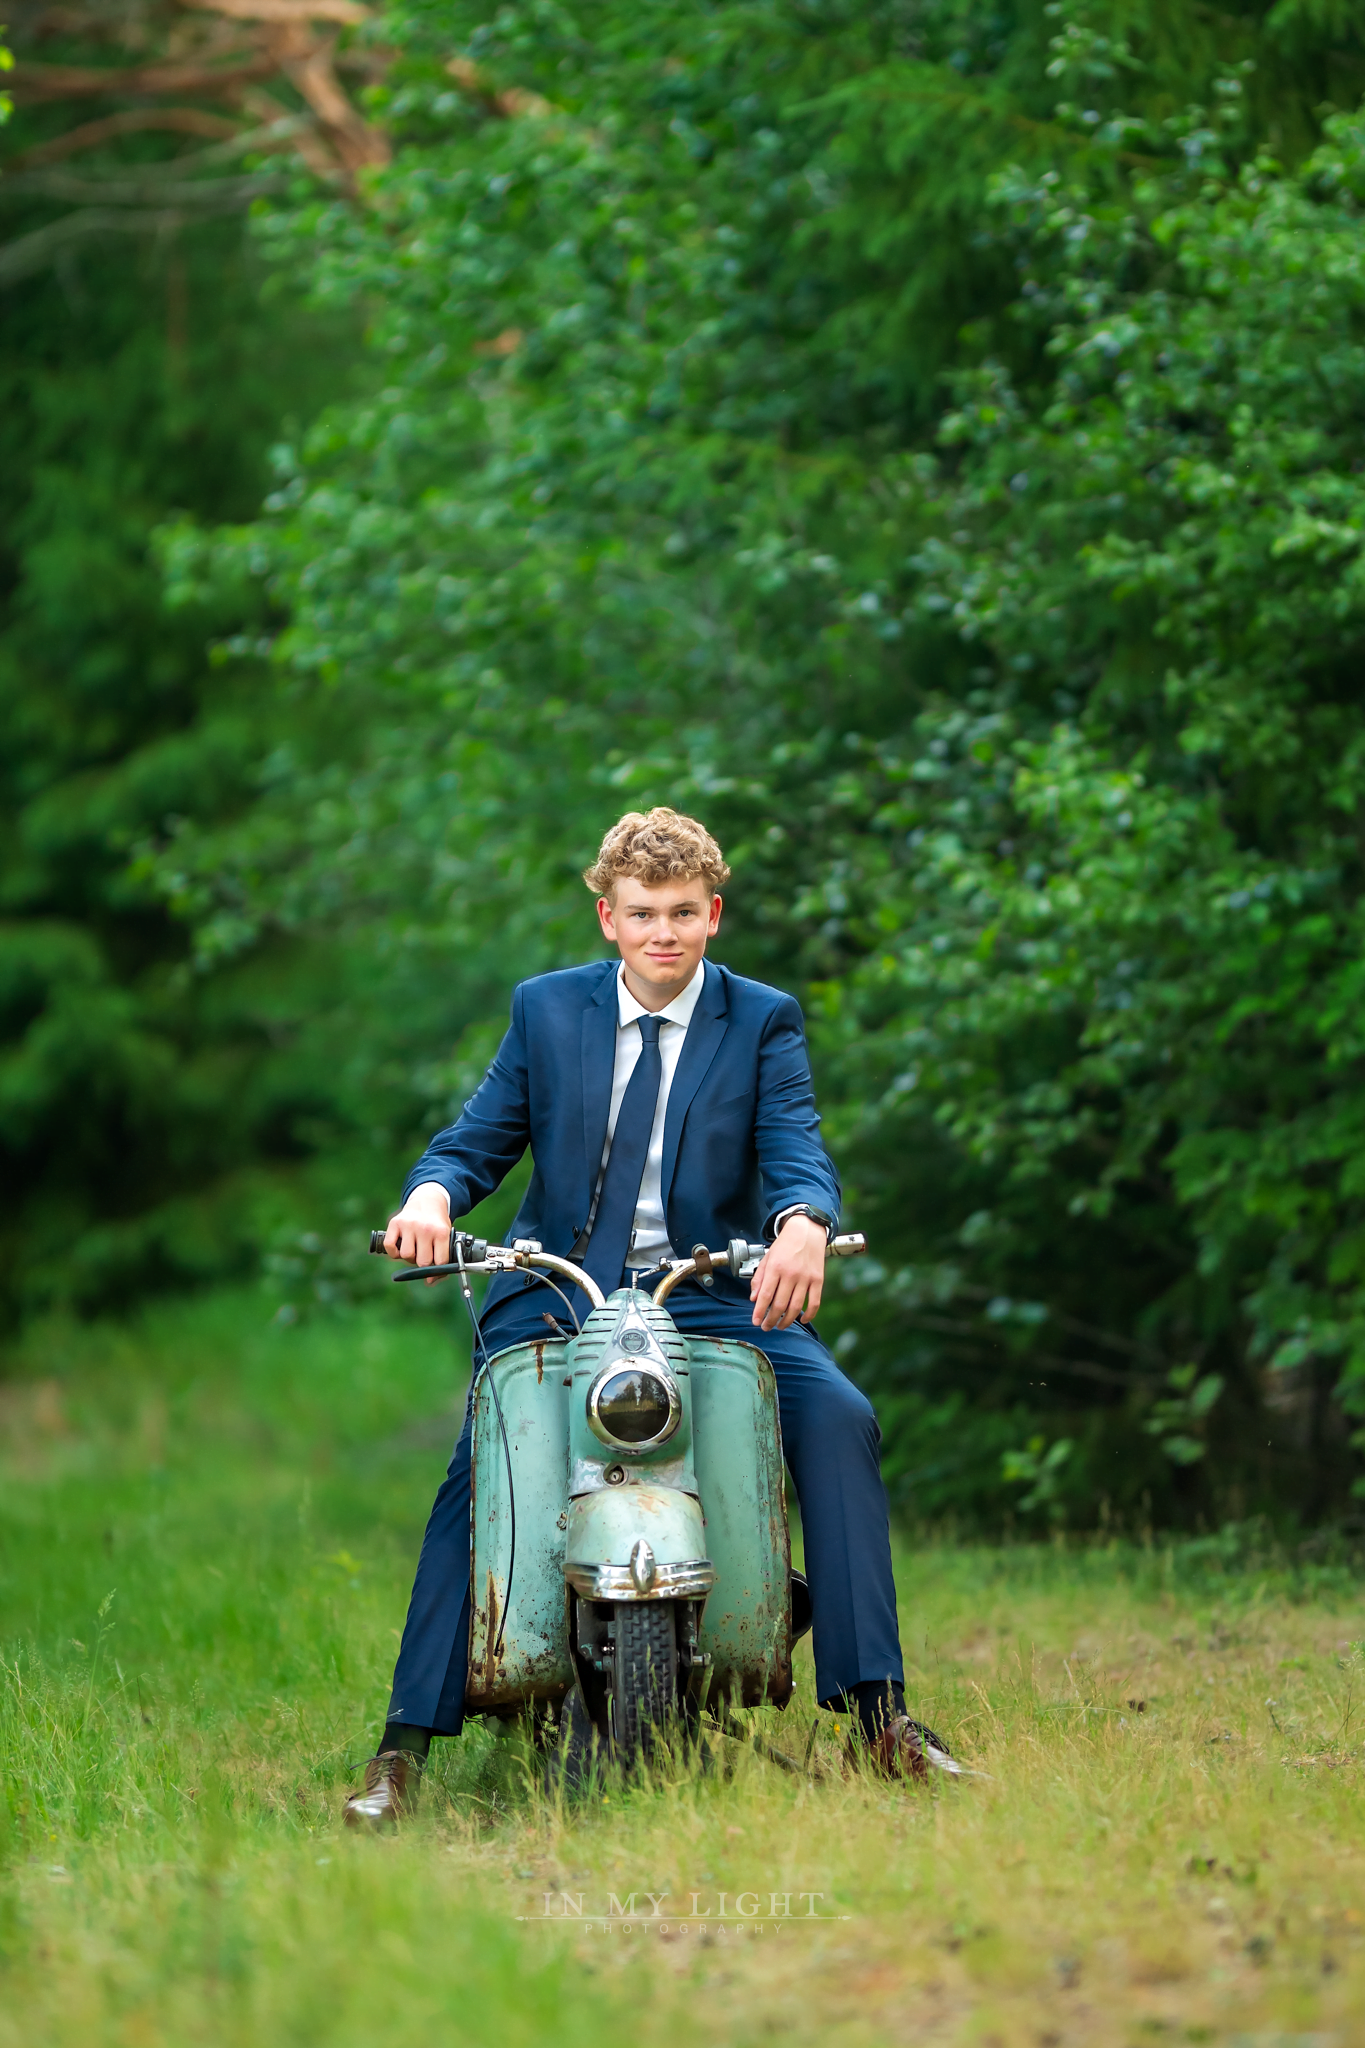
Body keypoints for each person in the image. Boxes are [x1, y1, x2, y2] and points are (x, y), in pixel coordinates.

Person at [344, 808, 945, 1825]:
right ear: (607, 918)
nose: (663, 932)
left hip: (710, 1288)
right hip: (560, 1288)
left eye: (682, 912)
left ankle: (880, 1715)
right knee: (482, 1463)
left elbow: (795, 1145)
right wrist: (432, 1197)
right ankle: (402, 1750)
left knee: (840, 1418)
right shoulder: (546, 1010)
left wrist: (804, 1222)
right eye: (642, 913)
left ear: (713, 913)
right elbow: (476, 1139)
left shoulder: (761, 1020)